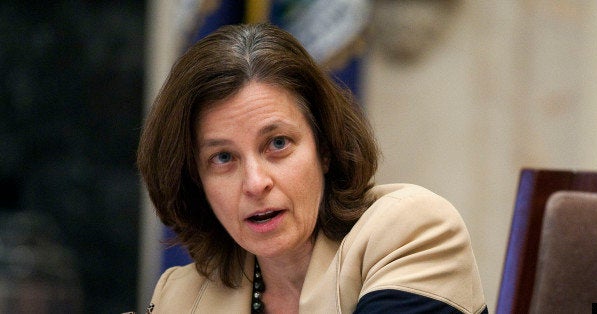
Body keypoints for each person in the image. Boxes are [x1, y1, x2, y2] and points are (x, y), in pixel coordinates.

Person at [137, 23, 487, 313]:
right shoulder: (182, 296)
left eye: (277, 144)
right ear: (196, 180)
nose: (256, 183)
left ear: (325, 148)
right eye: (224, 158)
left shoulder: (413, 232)